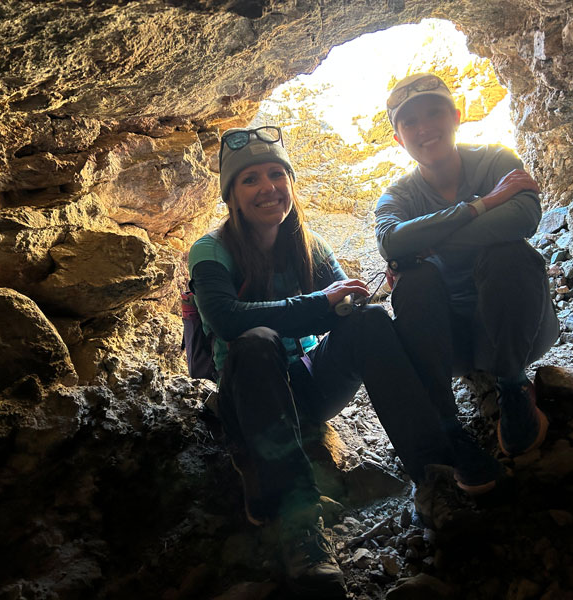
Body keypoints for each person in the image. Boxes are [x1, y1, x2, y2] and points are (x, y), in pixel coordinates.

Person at [188, 126, 500, 597]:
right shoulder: (211, 251)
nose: (268, 187)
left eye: (277, 174)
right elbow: (228, 320)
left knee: (370, 323)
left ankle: (433, 475)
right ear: (231, 194)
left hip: (310, 390)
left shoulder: (311, 247)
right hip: (249, 394)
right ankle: (300, 526)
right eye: (250, 179)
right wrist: (322, 303)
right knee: (256, 340)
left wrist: (369, 294)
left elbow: (344, 313)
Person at [375, 73, 560, 475]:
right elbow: (391, 242)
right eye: (410, 122)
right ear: (398, 139)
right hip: (450, 346)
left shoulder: (496, 159)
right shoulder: (398, 195)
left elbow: (523, 217)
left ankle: (513, 389)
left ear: (457, 116)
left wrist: (433, 243)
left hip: (521, 329)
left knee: (507, 253)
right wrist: (483, 205)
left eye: (434, 112)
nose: (424, 127)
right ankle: (446, 425)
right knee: (415, 282)